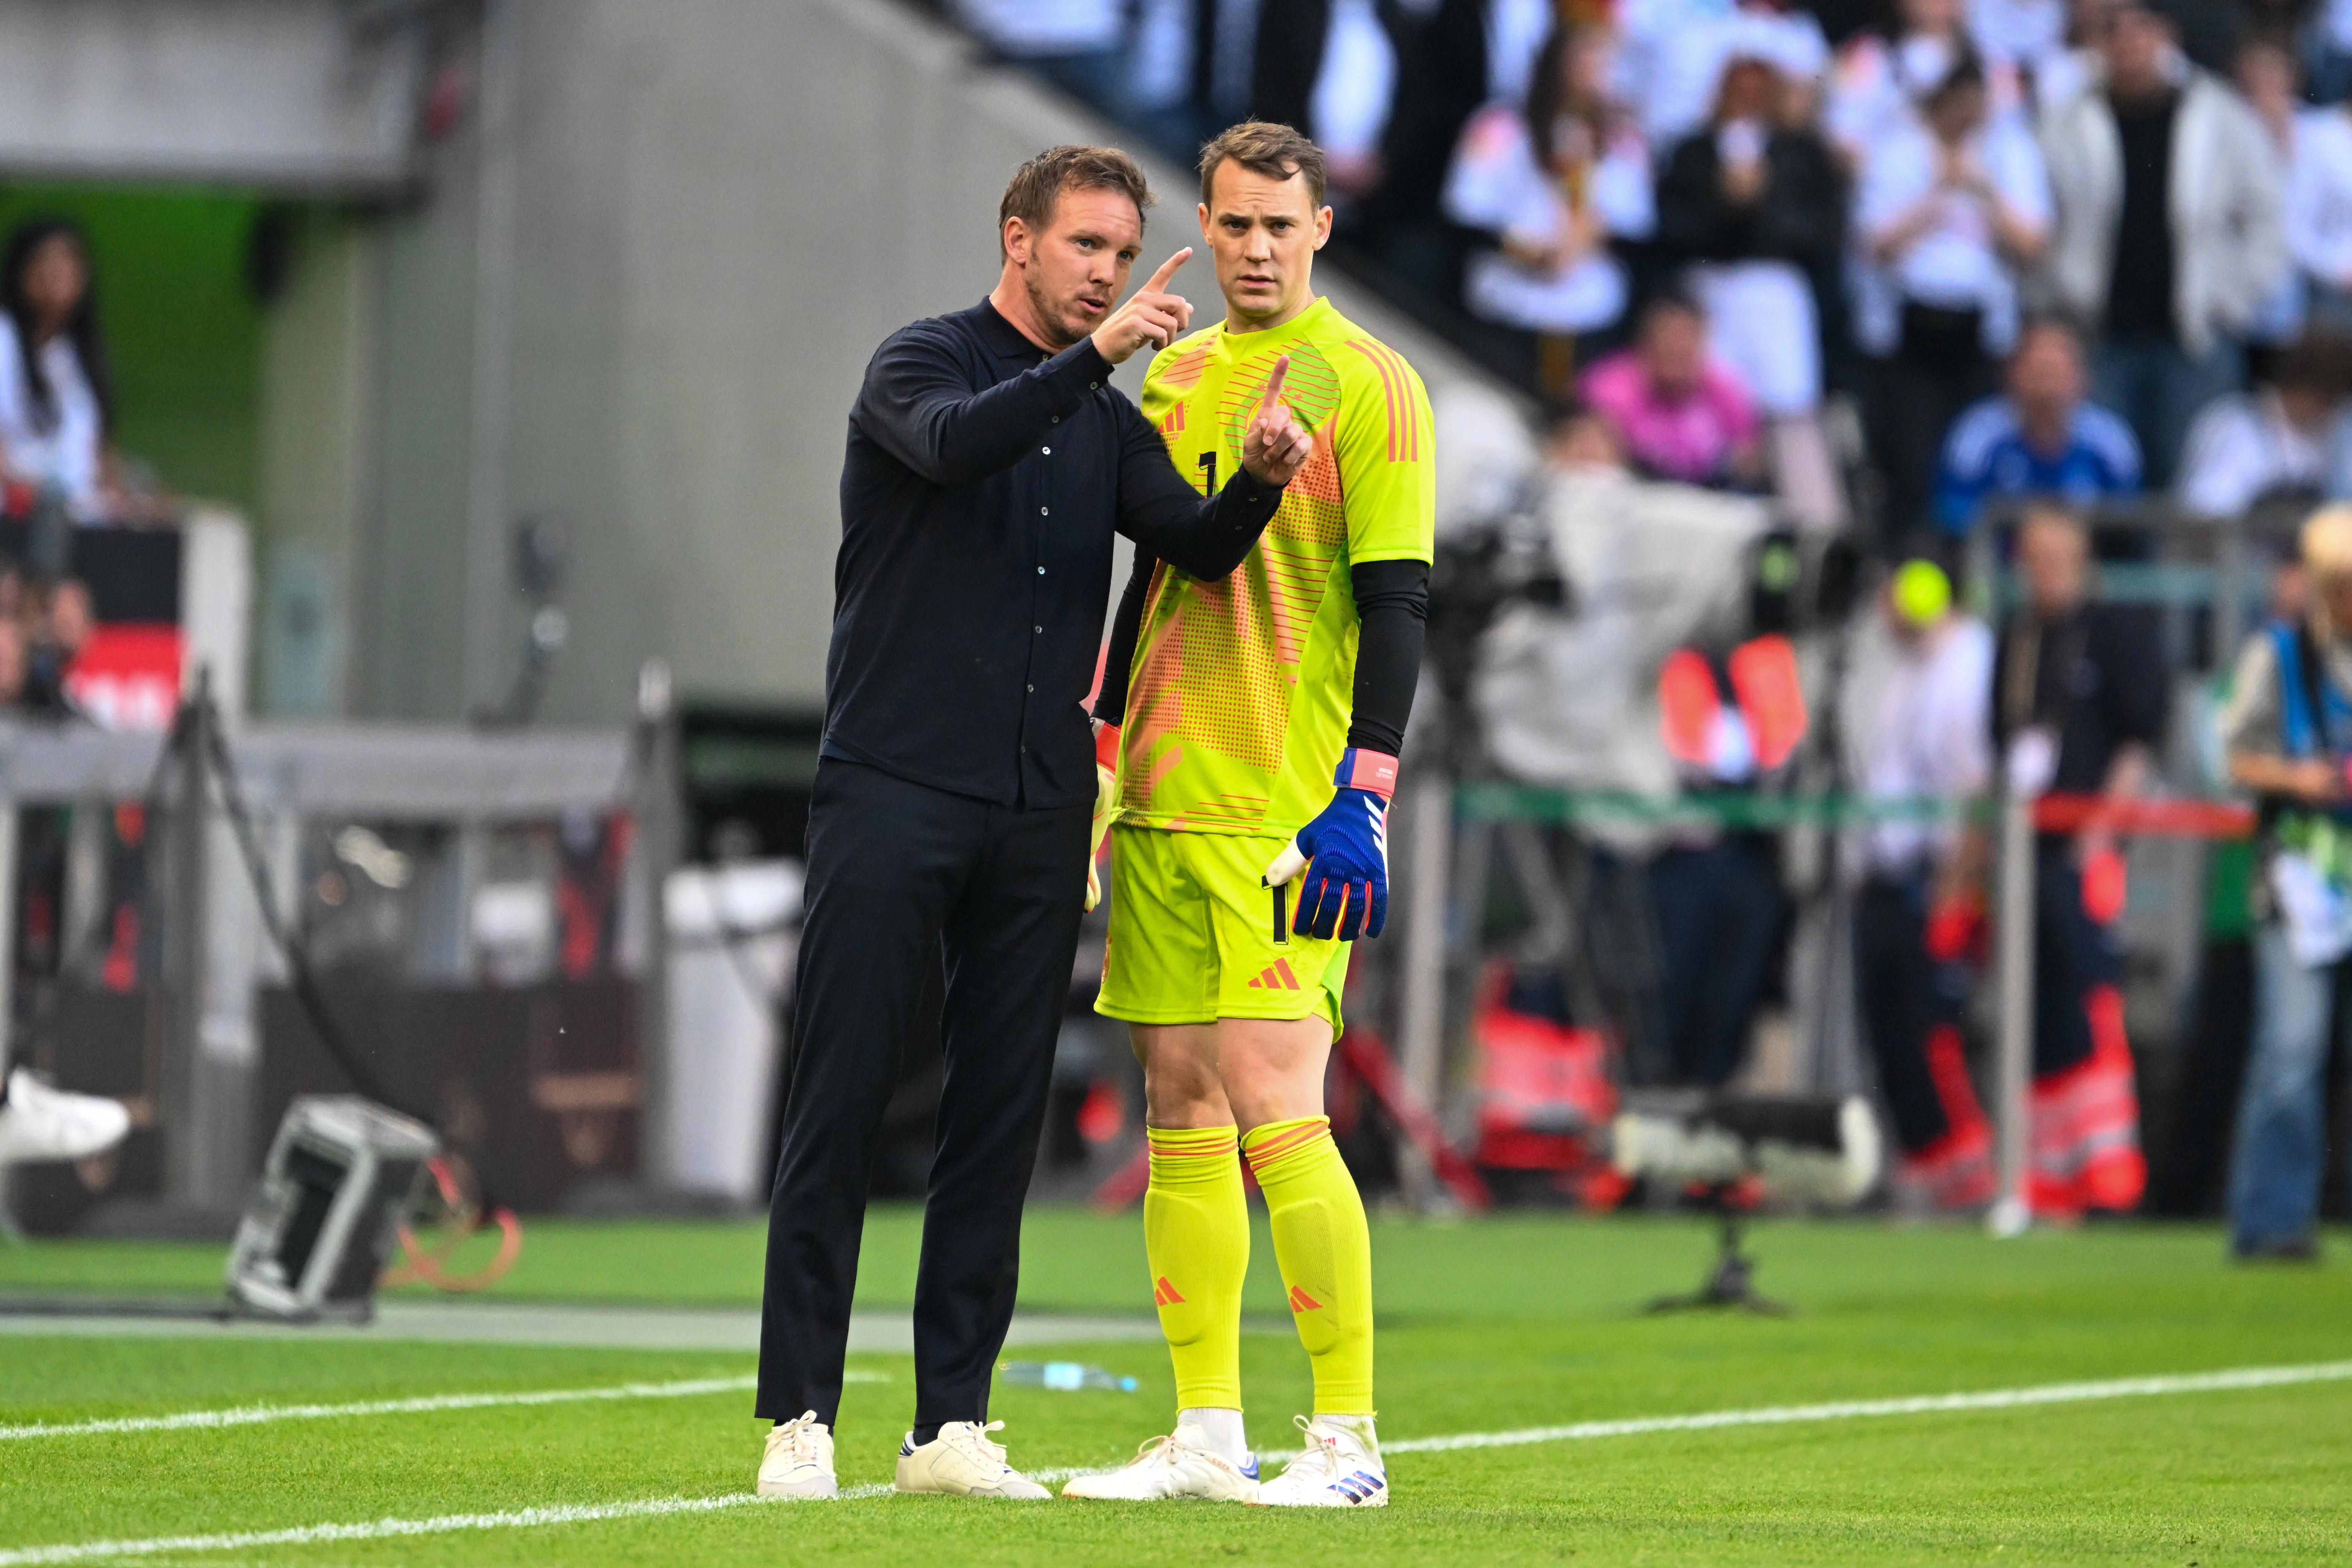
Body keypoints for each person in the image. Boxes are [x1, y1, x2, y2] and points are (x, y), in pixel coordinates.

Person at [752, 143, 1313, 1503]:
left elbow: (1191, 544)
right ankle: (797, 1419)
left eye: (1123, 255)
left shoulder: (1102, 416)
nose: (1109, 276)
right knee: (837, 1094)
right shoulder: (921, 364)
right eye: (1086, 249)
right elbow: (956, 445)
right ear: (1018, 240)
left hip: (1039, 804)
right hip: (891, 781)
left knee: (995, 1121)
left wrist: (1256, 478)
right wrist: (1097, 358)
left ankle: (949, 1422)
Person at [1064, 121, 1434, 1509]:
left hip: (1286, 811)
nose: (1256, 246)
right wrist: (1100, 756)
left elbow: (1398, 596)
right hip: (1162, 795)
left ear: (1321, 227)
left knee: (1286, 1108)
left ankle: (1346, 1438)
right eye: (1233, 223)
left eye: (1281, 223)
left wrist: (1368, 793)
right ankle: (1207, 1427)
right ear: (1205, 230)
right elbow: (1156, 577)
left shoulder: (1370, 384)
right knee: (1178, 1108)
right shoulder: (1169, 377)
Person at [1988, 503, 2163, 1215]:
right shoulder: (2018, 638)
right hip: (2024, 849)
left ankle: (2109, 1159)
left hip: (2086, 845)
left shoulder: (2118, 631)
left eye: (2059, 556)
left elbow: (2137, 739)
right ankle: (2047, 1171)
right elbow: (1999, 749)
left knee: (2094, 992)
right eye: (2035, 557)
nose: (2047, 571)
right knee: (2035, 1007)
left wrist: (2104, 832)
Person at [2033, 0, 2285, 487]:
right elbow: (2042, 211)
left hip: (2194, 334)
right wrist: (2060, 290)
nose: (2128, 42)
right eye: (2114, 31)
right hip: (2100, 332)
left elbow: (2266, 213)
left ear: (2166, 35)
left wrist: (2233, 298)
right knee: (2107, 478)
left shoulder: (2218, 113)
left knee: (2194, 480)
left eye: (2141, 28)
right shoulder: (2066, 121)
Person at [2218, 502, 2352, 1259]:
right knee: (2289, 1050)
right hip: (2299, 881)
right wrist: (2295, 777)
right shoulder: (2276, 655)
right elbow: (2231, 758)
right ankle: (2270, 1220)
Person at [1855, 55, 2052, 545]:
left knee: (1974, 457)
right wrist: (1937, 193)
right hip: (1911, 332)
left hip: (1980, 335)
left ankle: (1970, 559)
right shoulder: (1898, 151)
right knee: (1911, 462)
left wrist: (1981, 189)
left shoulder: (2008, 152)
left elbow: (2032, 244)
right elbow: (1875, 245)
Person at [1851, 559, 1998, 1207]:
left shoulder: (1967, 663)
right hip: (1887, 876)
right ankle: (1929, 1164)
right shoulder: (1914, 667)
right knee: (1891, 1029)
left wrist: (1956, 884)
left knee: (1930, 1030)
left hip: (1933, 879)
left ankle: (1966, 1169)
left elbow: (1974, 785)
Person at [1443, 23, 1655, 400]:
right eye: (1583, 60)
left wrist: (1588, 234)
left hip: (1587, 312)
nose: (1595, 74)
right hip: (1508, 301)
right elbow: (1467, 211)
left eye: (1603, 62)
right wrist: (1529, 252)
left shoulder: (1624, 142)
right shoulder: (1501, 127)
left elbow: (1633, 225)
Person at [1653, 53, 1847, 419]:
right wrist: (1725, 203)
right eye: (1739, 92)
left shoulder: (1799, 154)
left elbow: (1820, 228)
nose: (1748, 102)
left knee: (1788, 407)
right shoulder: (1694, 152)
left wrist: (1762, 202)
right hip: (1712, 287)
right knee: (1716, 405)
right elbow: (1675, 228)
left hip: (1775, 288)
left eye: (1758, 93)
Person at [1934, 319, 2141, 537]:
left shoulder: (2110, 440)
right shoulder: (1977, 435)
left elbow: (2130, 520)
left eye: (2056, 373)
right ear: (2012, 374)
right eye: (2039, 372)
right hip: (1994, 564)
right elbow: (1951, 511)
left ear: (2083, 378)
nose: (2047, 387)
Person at [1577, 292, 1765, 488]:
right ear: (1646, 341)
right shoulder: (1610, 387)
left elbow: (1750, 461)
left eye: (1688, 336)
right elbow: (1599, 459)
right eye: (1669, 335)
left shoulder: (1726, 386)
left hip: (1708, 499)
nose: (1678, 346)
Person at [0, 220, 118, 527]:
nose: (57, 272)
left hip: (79, 520)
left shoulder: (74, 352)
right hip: (18, 521)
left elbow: (94, 453)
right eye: (45, 261)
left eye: (69, 261)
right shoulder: (5, 339)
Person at [2176, 332, 2346, 520]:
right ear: (2302, 389)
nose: (2332, 414)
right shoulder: (2235, 426)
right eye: (2327, 402)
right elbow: (2205, 511)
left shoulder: (2334, 435)